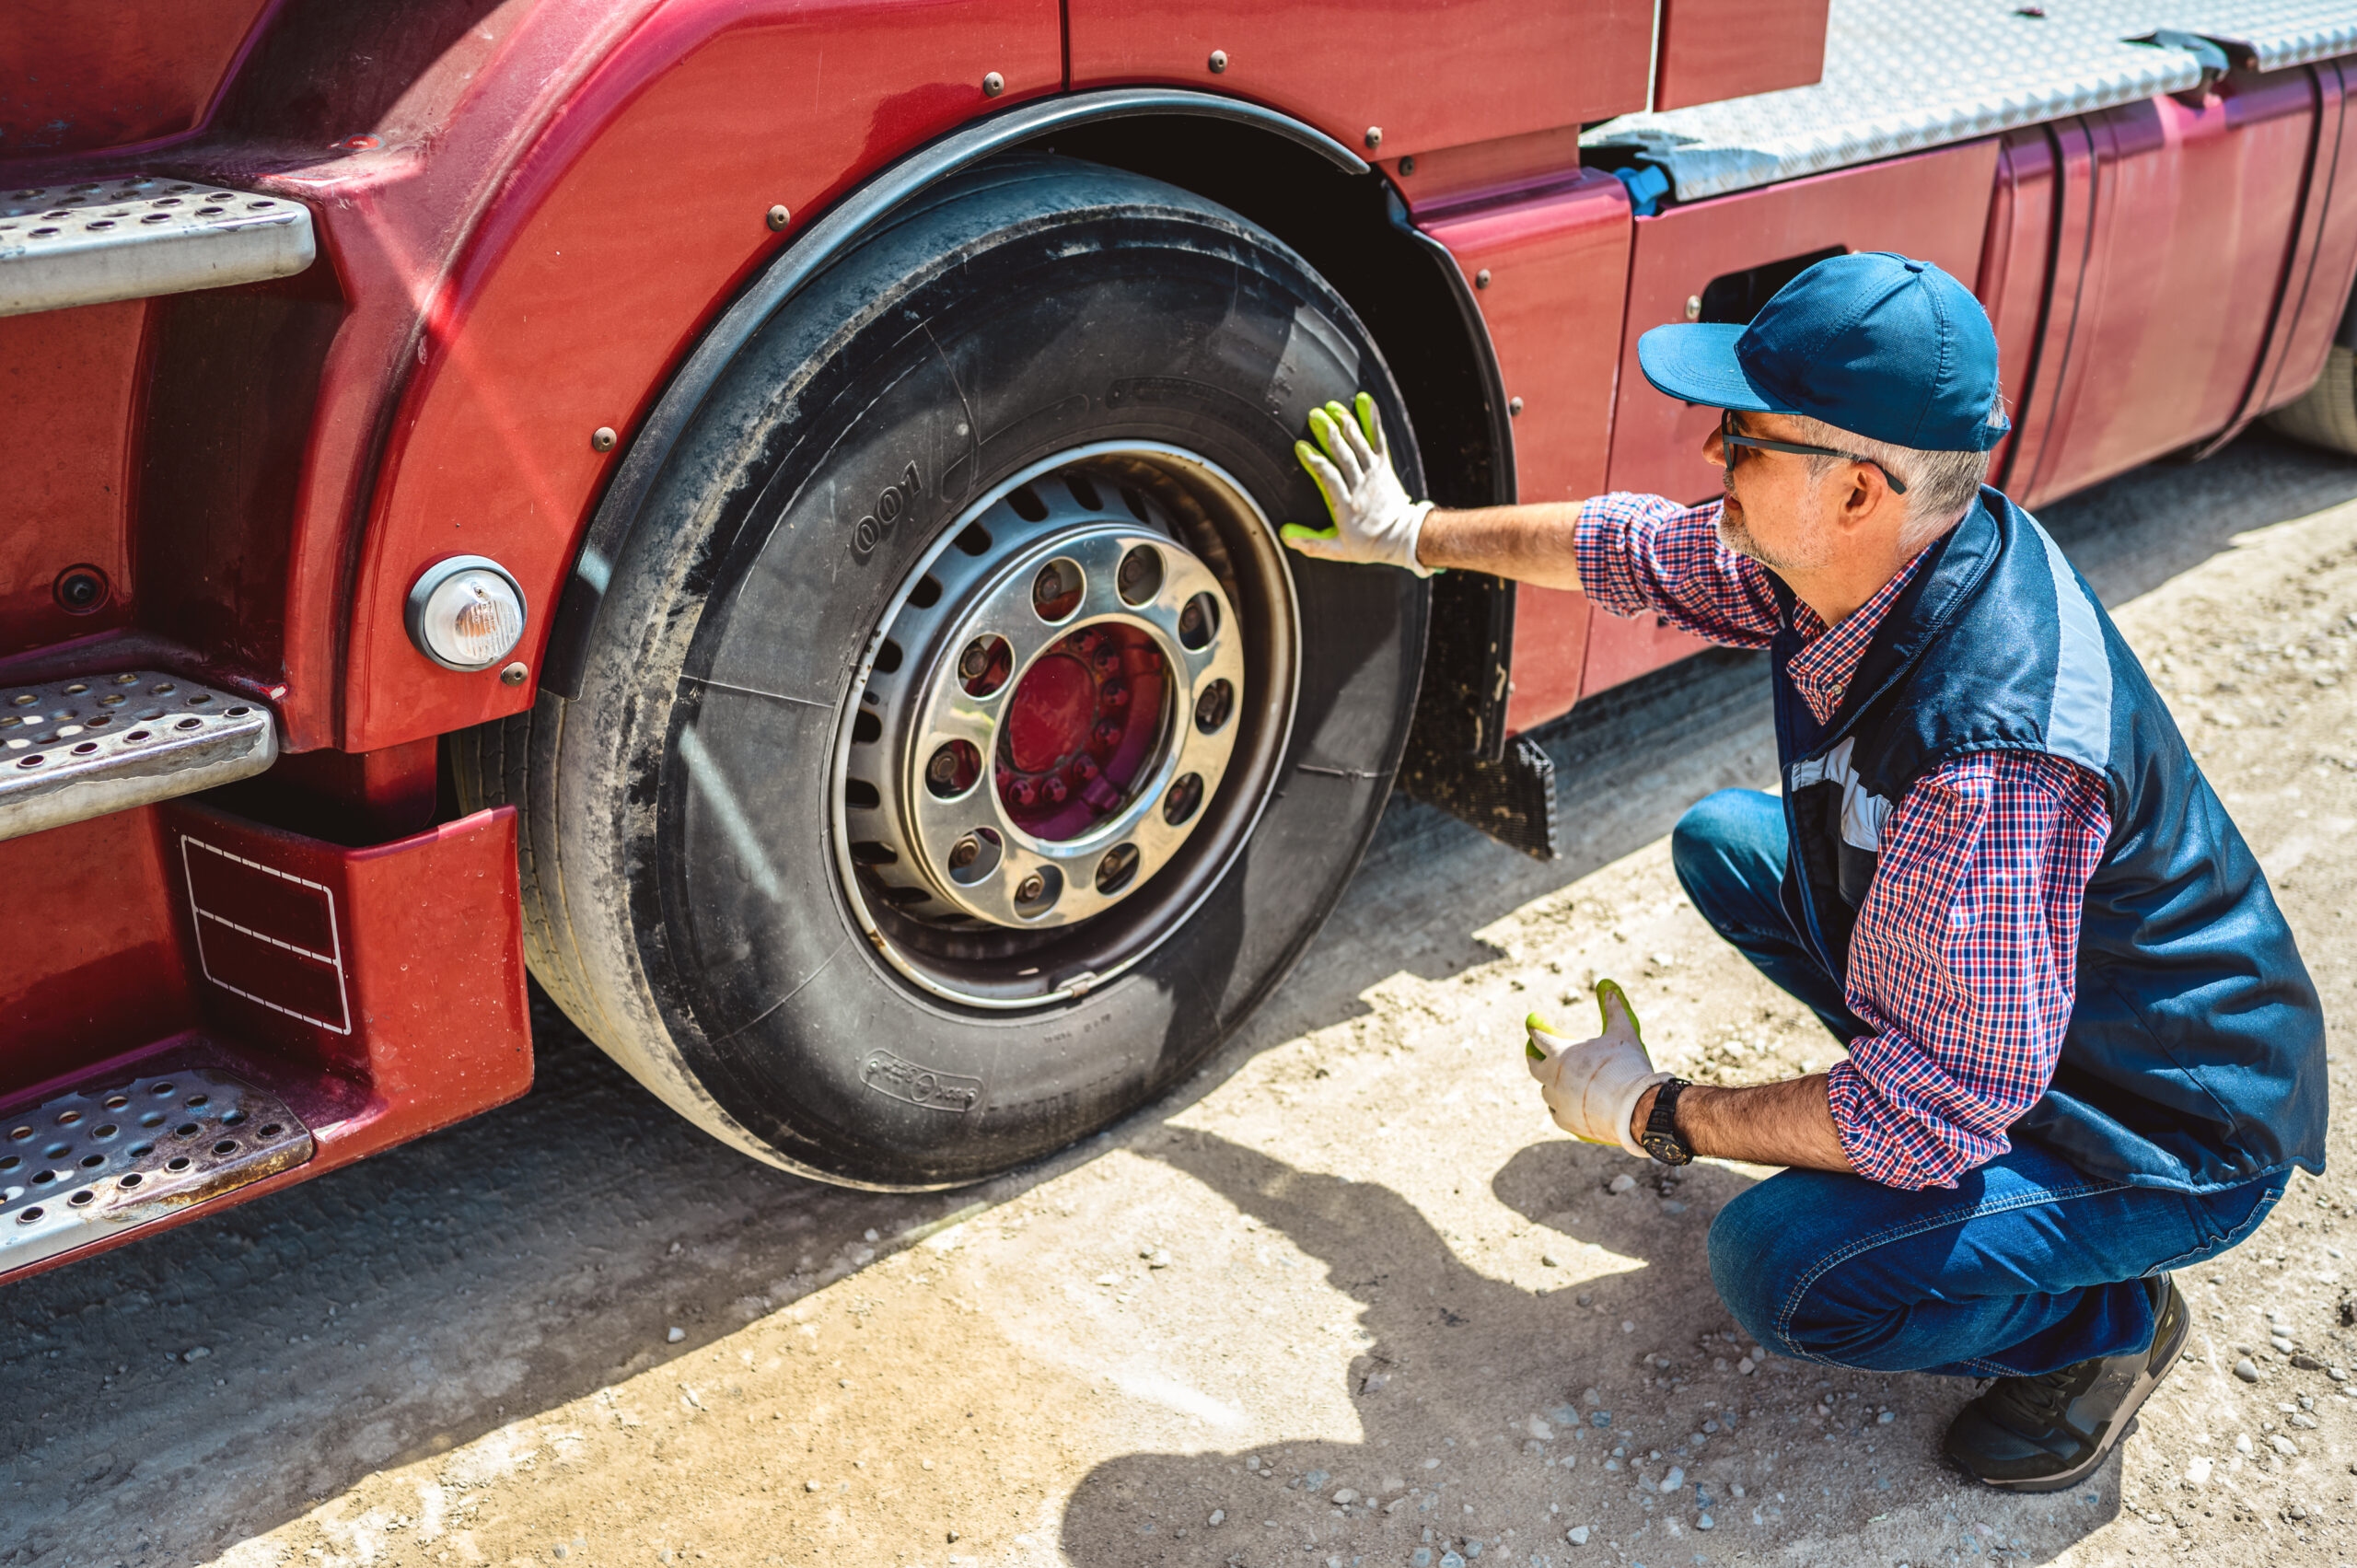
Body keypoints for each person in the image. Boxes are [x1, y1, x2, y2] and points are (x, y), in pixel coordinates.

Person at [1281, 251, 2328, 1493]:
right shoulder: (1881, 555)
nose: (1712, 462)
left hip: (2162, 1122)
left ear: (1858, 493)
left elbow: (1930, 1113)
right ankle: (2007, 1212)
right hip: (2024, 1021)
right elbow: (1630, 548)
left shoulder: (1990, 768)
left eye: (1742, 439)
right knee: (1730, 843)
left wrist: (1654, 1113)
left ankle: (2103, 1328)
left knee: (1784, 1267)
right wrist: (1412, 537)